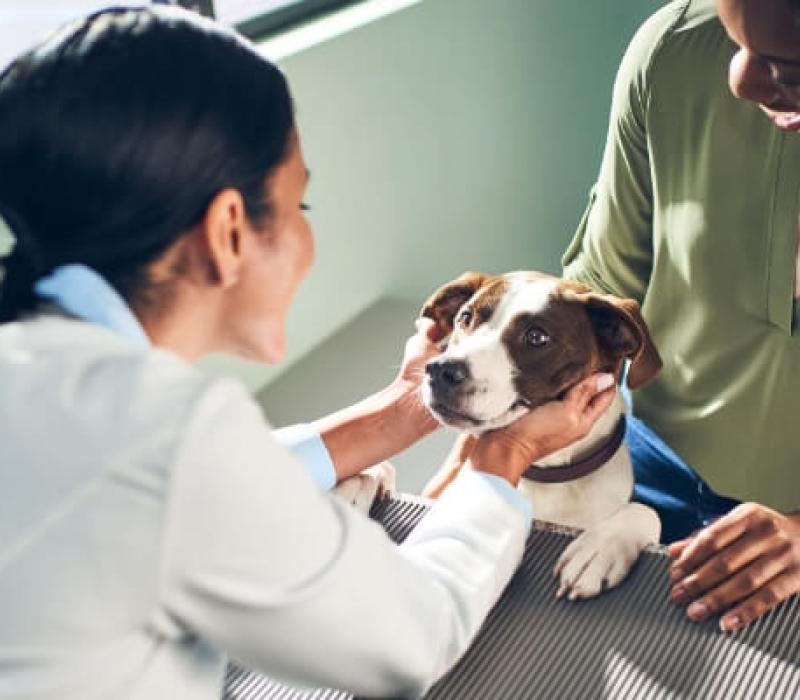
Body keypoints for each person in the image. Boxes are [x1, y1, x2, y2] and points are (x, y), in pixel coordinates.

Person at [0, 7, 616, 699]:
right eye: (302, 210)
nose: (305, 241)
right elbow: (411, 639)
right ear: (228, 229)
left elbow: (189, 493)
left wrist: (395, 412)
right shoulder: (168, 435)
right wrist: (501, 457)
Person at [562, 0, 800, 634]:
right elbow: (604, 283)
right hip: (653, 469)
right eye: (734, 37)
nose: (742, 81)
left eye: (788, 65)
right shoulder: (673, 48)